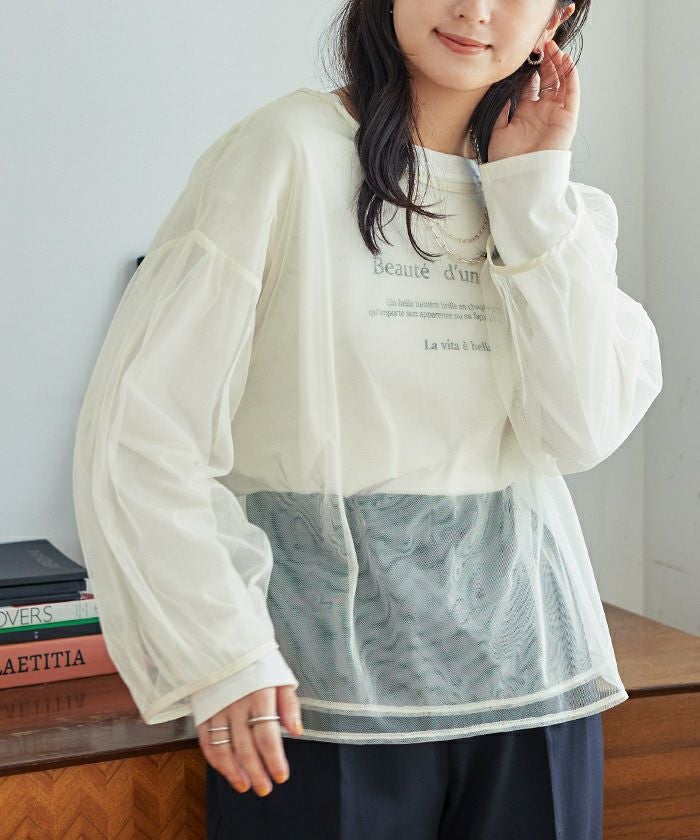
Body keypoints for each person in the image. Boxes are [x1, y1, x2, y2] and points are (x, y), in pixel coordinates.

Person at [72, 0, 663, 838]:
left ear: (557, 15)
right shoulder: (286, 152)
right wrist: (221, 651)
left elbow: (579, 430)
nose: (475, 10)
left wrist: (529, 194)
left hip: (530, 686)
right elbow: (141, 430)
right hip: (320, 691)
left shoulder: (550, 200)